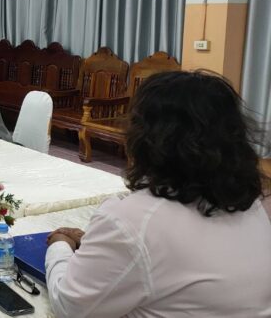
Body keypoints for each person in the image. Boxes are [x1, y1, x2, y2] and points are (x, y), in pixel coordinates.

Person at [45, 71, 271, 317]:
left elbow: (70, 308)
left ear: (145, 138)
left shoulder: (132, 220)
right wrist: (98, 244)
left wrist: (60, 245)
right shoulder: (254, 204)